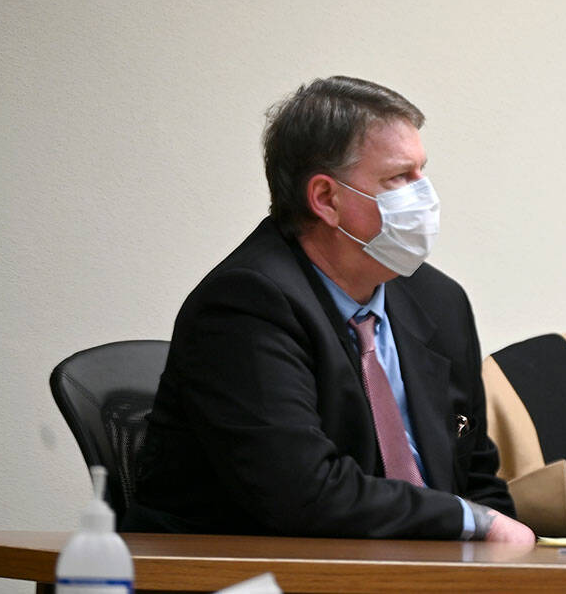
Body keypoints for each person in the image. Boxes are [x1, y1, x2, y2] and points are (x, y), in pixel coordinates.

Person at [126, 76, 534, 544]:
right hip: (257, 570)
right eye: (399, 177)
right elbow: (303, 492)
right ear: (325, 199)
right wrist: (472, 522)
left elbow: (475, 475)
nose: (424, 196)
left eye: (422, 172)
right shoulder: (245, 304)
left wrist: (508, 553)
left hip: (414, 567)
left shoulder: (439, 301)